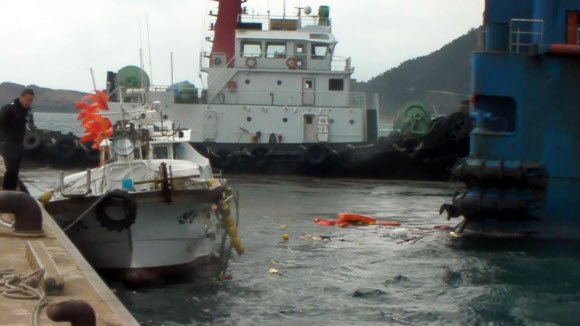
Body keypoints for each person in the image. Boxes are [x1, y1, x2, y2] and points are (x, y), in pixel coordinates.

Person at [0, 88, 36, 193]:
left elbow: (31, 126)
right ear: (22, 97)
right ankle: (6, 191)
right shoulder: (9, 108)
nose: (29, 102)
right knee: (10, 169)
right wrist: (2, 139)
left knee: (15, 170)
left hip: (18, 144)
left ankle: (12, 191)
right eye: (28, 99)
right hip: (6, 143)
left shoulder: (27, 112)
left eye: (31, 100)